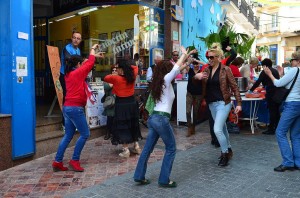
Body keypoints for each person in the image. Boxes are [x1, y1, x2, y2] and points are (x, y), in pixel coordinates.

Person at [133, 46, 205, 188]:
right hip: (161, 119)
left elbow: (178, 68)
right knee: (171, 148)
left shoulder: (159, 81)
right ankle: (164, 179)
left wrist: (188, 59)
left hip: (154, 119)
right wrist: (183, 55)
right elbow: (176, 68)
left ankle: (139, 176)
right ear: (167, 70)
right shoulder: (166, 79)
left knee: (147, 149)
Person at [52, 44, 104, 172]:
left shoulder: (69, 74)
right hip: (75, 109)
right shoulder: (78, 73)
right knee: (85, 134)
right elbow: (90, 62)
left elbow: (86, 61)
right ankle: (74, 160)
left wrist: (93, 56)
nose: (83, 65)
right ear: (78, 65)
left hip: (67, 108)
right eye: (81, 63)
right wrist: (93, 48)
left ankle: (57, 161)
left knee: (68, 135)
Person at [194, 48, 242, 167]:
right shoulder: (206, 70)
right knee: (223, 128)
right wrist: (196, 76)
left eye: (212, 57)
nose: (209, 59)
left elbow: (234, 87)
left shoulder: (226, 69)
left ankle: (225, 153)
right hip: (211, 103)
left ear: (218, 57)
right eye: (208, 57)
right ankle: (229, 148)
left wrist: (239, 104)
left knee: (217, 130)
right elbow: (196, 86)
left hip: (223, 103)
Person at [263, 51, 300, 172]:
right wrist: (280, 74)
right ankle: (298, 162)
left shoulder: (295, 70)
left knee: (280, 132)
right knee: (295, 135)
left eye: (292, 60)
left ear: (297, 61)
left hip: (292, 105)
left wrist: (270, 74)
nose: (291, 63)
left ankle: (288, 162)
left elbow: (278, 83)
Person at [104, 59, 142, 158]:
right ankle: (136, 146)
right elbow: (135, 67)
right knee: (132, 124)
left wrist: (116, 74)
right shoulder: (132, 75)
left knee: (122, 126)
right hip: (132, 103)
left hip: (121, 104)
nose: (116, 69)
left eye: (117, 68)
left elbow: (106, 77)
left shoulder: (116, 78)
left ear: (121, 69)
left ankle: (126, 150)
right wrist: (127, 67)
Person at [250, 58, 280, 135]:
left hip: (271, 93)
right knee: (276, 111)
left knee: (272, 111)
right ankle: (277, 127)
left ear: (264, 65)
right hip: (277, 93)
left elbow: (258, 82)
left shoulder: (265, 71)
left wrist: (251, 90)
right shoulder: (275, 70)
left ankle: (271, 129)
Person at [59, 31, 82, 131]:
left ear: (80, 40)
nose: (76, 40)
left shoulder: (78, 50)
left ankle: (73, 123)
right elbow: (71, 60)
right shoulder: (67, 48)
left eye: (78, 38)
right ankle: (64, 124)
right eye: (74, 38)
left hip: (74, 77)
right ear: (71, 38)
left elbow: (78, 62)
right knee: (67, 99)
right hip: (65, 76)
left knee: (74, 99)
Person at [185, 57, 203, 137]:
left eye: (197, 64)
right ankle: (189, 127)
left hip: (199, 94)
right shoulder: (190, 70)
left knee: (195, 112)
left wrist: (198, 61)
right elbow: (185, 63)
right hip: (190, 93)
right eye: (194, 64)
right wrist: (190, 58)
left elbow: (207, 64)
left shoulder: (202, 71)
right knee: (188, 111)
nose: (196, 65)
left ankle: (193, 127)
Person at [102, 66, 118, 140]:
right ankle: (108, 133)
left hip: (118, 101)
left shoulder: (120, 79)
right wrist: (113, 82)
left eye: (116, 70)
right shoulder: (108, 79)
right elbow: (106, 87)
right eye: (113, 70)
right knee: (109, 118)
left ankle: (115, 134)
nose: (114, 71)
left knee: (116, 119)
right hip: (110, 101)